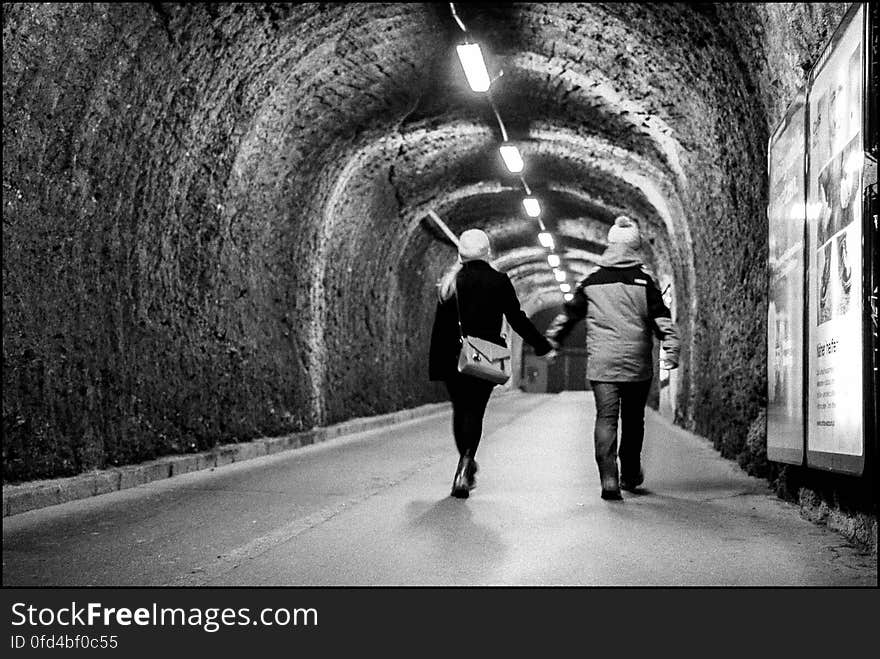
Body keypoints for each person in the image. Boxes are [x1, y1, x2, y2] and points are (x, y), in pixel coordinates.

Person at [546, 216, 680, 500]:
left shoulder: (592, 279)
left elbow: (569, 316)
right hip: (636, 364)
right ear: (635, 247)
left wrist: (551, 341)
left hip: (602, 364)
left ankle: (608, 478)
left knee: (606, 418)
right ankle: (630, 474)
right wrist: (672, 348)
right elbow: (661, 320)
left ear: (610, 244)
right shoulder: (645, 280)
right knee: (633, 420)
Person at [429, 229, 554, 498]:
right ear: (488, 252)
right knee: (474, 412)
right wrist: (542, 346)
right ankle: (465, 465)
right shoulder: (497, 280)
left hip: (453, 358)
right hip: (485, 356)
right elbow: (517, 318)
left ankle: (465, 463)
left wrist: (437, 364)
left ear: (460, 254)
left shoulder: (451, 282)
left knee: (460, 411)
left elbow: (439, 329)